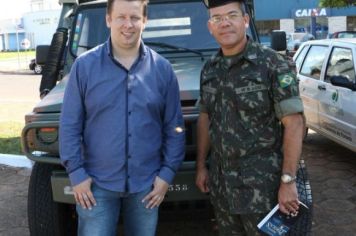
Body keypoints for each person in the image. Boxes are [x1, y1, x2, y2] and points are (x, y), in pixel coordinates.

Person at [59, 0, 185, 235]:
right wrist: (77, 175)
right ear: (108, 19)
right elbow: (69, 126)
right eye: (121, 17)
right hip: (95, 186)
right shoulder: (84, 67)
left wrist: (166, 175)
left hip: (147, 187)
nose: (128, 24)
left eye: (135, 18)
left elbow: (174, 128)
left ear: (144, 21)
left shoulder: (163, 70)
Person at [195, 0, 305, 235]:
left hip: (265, 190)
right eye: (217, 18)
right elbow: (205, 117)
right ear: (209, 26)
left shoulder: (273, 64)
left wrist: (288, 181)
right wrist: (201, 166)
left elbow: (294, 123)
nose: (224, 23)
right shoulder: (210, 69)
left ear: (245, 21)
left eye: (232, 15)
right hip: (223, 187)